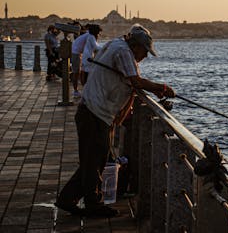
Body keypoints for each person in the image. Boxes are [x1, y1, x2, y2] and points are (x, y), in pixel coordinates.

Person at [55, 24, 175, 217]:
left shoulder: (116, 45)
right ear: (136, 46)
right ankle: (92, 204)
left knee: (94, 159)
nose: (144, 57)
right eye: (145, 52)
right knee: (94, 160)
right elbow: (135, 81)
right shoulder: (122, 52)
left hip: (97, 112)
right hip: (95, 113)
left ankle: (67, 199)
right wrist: (162, 87)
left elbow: (129, 84)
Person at [71, 24, 89, 97]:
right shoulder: (88, 35)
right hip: (76, 54)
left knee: (80, 72)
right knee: (76, 73)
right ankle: (75, 91)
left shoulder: (84, 35)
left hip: (78, 53)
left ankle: (79, 90)